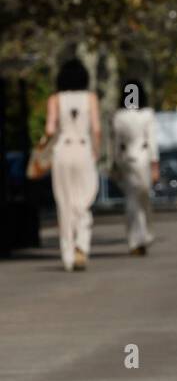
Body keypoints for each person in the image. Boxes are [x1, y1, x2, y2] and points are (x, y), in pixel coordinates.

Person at [44, 58, 100, 272]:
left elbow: (50, 130)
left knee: (64, 203)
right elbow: (96, 129)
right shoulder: (90, 98)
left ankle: (68, 254)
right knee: (84, 201)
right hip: (83, 149)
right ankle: (82, 245)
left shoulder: (55, 99)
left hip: (62, 151)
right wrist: (96, 150)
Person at [112, 80, 159, 256]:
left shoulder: (119, 116)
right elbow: (152, 141)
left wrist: (116, 163)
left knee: (133, 200)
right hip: (143, 159)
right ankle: (142, 236)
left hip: (127, 161)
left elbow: (117, 144)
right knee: (142, 198)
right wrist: (155, 165)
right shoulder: (147, 114)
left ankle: (137, 238)